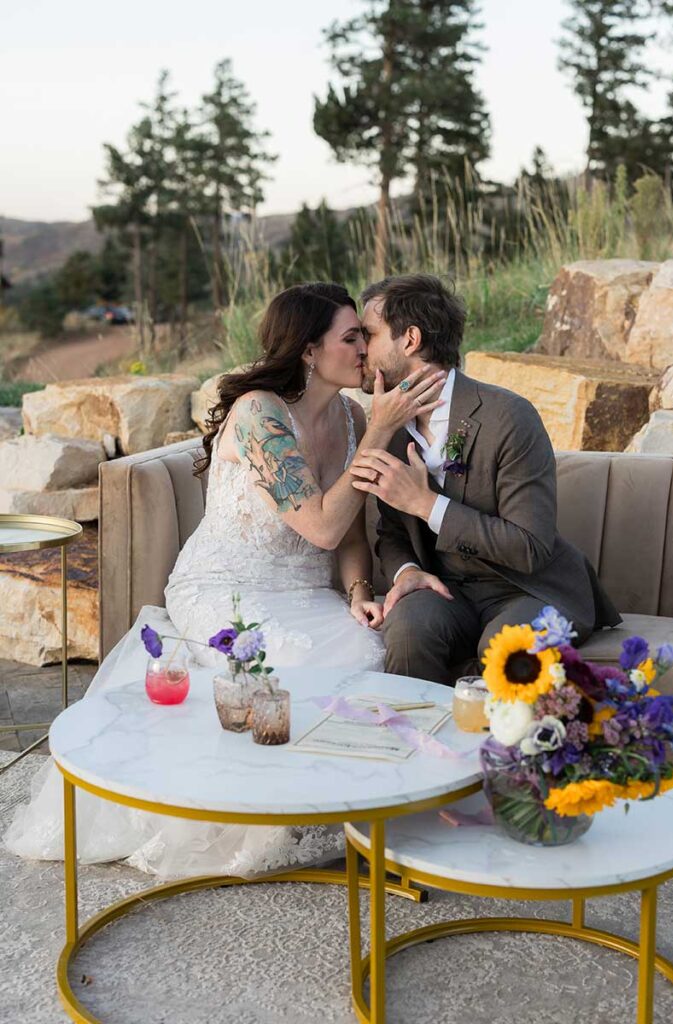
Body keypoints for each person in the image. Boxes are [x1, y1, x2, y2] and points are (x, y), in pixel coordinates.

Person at [5, 282, 446, 880]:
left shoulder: (348, 415)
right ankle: (269, 815)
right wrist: (377, 435)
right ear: (311, 351)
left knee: (371, 648)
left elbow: (348, 532)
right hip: (226, 585)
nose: (366, 350)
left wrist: (359, 593)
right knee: (294, 664)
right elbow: (319, 523)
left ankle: (343, 802)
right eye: (352, 337)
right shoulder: (260, 413)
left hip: (306, 591)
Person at [350, 273, 621, 685]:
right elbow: (392, 533)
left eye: (368, 334)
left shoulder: (508, 417)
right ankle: (412, 742)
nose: (361, 349)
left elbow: (530, 546)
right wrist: (405, 571)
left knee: (506, 648)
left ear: (410, 339)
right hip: (445, 590)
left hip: (529, 589)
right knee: (408, 628)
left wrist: (427, 504)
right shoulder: (387, 429)